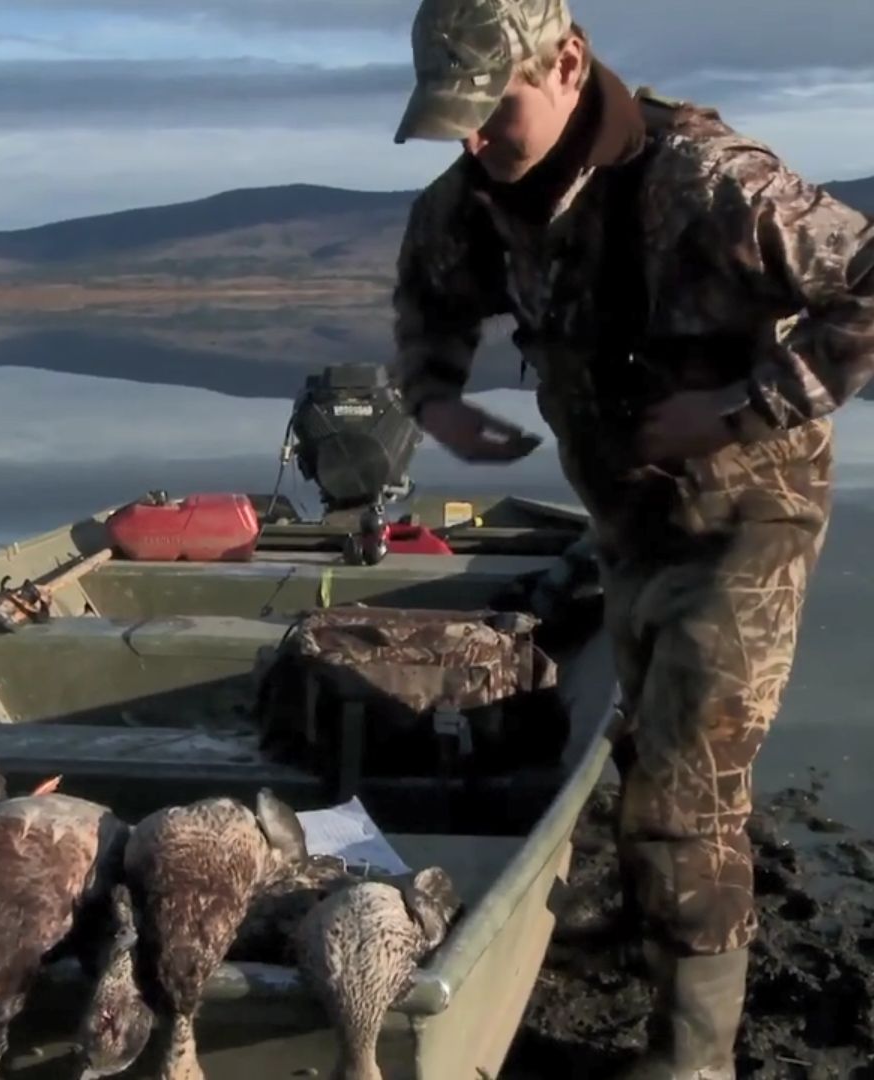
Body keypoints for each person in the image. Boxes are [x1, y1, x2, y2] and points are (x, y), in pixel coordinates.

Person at [385, 0, 874, 1076]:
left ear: (568, 63)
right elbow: (428, 295)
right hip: (626, 519)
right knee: (646, 743)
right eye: (456, 120)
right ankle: (650, 924)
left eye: (492, 109)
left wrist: (743, 404)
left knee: (691, 787)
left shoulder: (706, 181)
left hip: (746, 523)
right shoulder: (475, 196)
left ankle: (693, 1057)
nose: (475, 139)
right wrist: (438, 402)